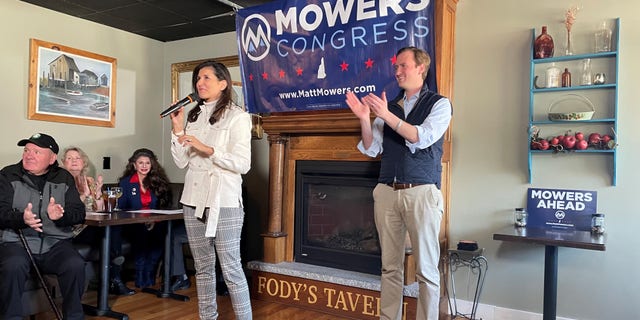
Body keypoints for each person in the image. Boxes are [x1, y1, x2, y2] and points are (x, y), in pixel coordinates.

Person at [345, 47, 452, 320]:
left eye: (403, 66)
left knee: (426, 270)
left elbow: (420, 137)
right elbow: (372, 148)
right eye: (396, 67)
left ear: (421, 68)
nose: (397, 72)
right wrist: (364, 119)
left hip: (421, 193)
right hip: (386, 193)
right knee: (389, 267)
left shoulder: (440, 104)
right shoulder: (389, 106)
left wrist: (386, 115)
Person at [169, 60, 252, 319]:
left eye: (206, 78)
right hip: (193, 199)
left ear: (223, 83)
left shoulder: (238, 116)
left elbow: (243, 164)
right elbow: (181, 161)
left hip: (224, 200)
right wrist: (177, 129)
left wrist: (209, 150)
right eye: (197, 79)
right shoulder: (194, 115)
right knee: (203, 268)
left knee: (231, 268)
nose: (199, 83)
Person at [0, 133, 86, 320]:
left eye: (37, 152)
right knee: (13, 265)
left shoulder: (64, 177)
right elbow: (1, 211)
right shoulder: (8, 174)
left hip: (55, 243)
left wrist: (60, 216)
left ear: (52, 158)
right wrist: (21, 218)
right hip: (17, 243)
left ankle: (74, 317)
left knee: (75, 264)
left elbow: (79, 214)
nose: (29, 155)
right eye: (27, 150)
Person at [62, 146, 135, 296]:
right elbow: (68, 210)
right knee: (108, 231)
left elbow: (100, 208)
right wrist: (84, 196)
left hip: (92, 227)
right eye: (69, 158)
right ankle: (115, 273)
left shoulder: (89, 181)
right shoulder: (61, 182)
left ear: (83, 162)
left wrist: (97, 194)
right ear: (63, 163)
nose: (74, 161)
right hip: (74, 230)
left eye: (77, 158)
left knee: (112, 227)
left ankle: (113, 277)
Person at [117, 148, 173, 289]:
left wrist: (153, 220)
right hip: (133, 222)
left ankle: (150, 271)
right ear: (134, 165)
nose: (144, 166)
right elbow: (122, 207)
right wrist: (141, 219)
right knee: (140, 232)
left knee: (161, 233)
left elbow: (164, 206)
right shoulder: (126, 183)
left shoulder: (159, 181)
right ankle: (141, 275)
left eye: (147, 163)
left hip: (156, 221)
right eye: (140, 163)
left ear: (152, 164)